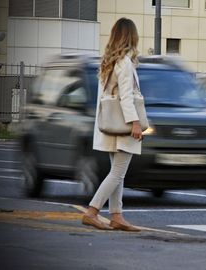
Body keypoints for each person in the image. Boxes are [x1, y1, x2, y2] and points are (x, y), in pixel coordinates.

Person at [81, 18, 143, 232]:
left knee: (117, 172)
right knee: (117, 172)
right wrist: (135, 122)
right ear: (131, 36)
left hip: (111, 124)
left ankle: (117, 215)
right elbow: (126, 97)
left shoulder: (109, 61)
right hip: (124, 124)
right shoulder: (124, 62)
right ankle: (92, 211)